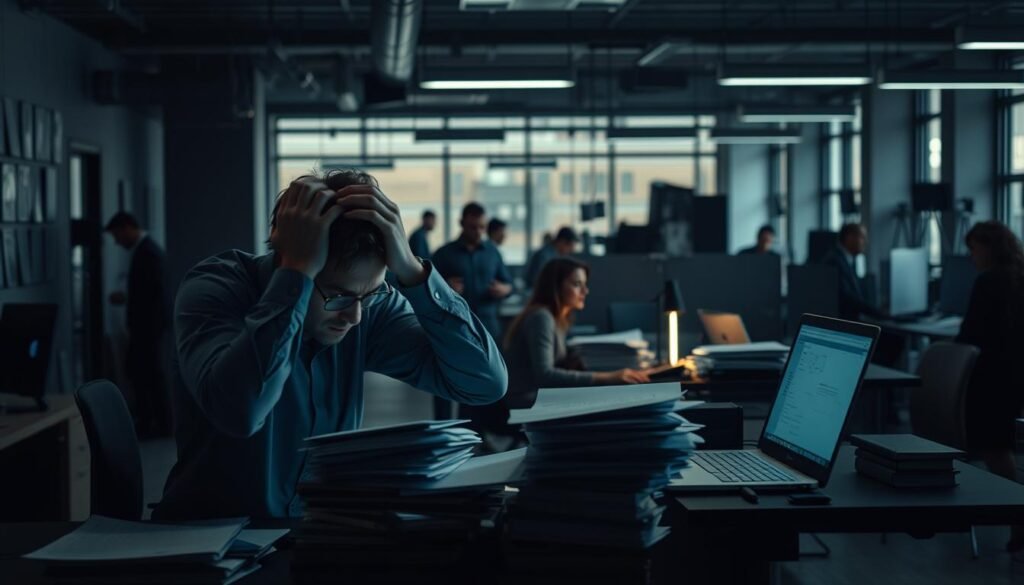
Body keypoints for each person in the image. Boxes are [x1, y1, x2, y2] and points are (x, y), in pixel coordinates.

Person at [153, 170, 507, 521]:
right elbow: (241, 413)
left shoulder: (369, 306)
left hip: (318, 535)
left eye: (369, 295)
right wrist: (295, 276)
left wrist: (413, 271)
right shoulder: (215, 288)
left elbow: (484, 383)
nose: (354, 316)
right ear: (288, 257)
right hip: (213, 541)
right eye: (337, 296)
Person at [466, 258, 651, 452]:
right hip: (522, 402)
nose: (585, 291)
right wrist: (608, 377)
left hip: (531, 397)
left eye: (585, 284)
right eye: (577, 284)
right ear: (555, 286)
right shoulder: (541, 318)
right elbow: (545, 375)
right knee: (602, 410)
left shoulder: (554, 318)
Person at [955, 221, 1024, 552]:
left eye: (974, 249)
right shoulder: (1019, 276)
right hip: (1014, 375)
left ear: (989, 248)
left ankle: (1018, 524)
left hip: (991, 378)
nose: (972, 257)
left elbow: (969, 334)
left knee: (995, 450)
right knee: (1002, 448)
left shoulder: (988, 281)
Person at [105, 212, 170, 437]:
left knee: (148, 375)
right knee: (145, 373)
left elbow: (151, 294)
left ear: (127, 227)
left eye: (117, 235)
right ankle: (155, 422)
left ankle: (155, 423)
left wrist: (126, 299)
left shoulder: (147, 253)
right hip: (148, 327)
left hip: (148, 329)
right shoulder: (147, 251)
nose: (117, 242)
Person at [431, 203, 513, 340]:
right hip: (456, 327)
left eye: (482, 227)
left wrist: (504, 289)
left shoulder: (493, 252)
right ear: (461, 223)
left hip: (489, 327)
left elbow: (509, 284)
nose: (478, 232)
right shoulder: (443, 254)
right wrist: (445, 287)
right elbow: (427, 289)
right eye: (473, 227)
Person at [821, 223, 887, 321]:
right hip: (843, 322)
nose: (866, 242)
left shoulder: (848, 260)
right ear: (850, 238)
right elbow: (848, 298)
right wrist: (878, 313)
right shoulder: (835, 261)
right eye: (862, 237)